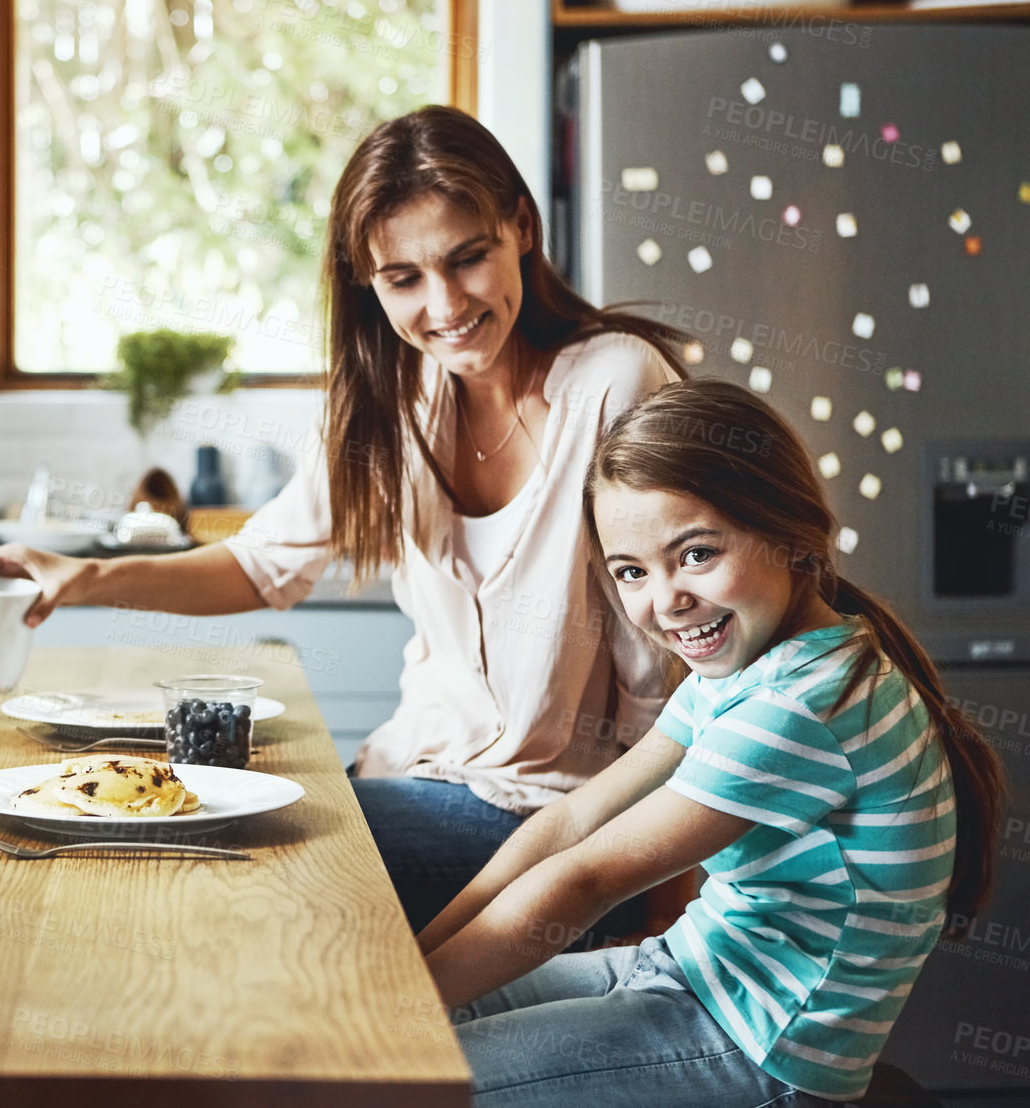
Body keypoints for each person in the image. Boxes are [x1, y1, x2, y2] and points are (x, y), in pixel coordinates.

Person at [0, 105, 693, 929]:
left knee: (224, 853)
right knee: (137, 820)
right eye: (403, 278)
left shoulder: (616, 385)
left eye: (467, 258)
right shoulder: (392, 399)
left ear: (520, 226)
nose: (444, 303)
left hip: (553, 819)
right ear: (366, 283)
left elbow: (671, 657)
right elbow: (263, 563)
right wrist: (86, 579)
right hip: (408, 771)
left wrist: (661, 887)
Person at [421, 379, 1005, 1106]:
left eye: (695, 554)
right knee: (421, 1020)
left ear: (789, 533)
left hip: (763, 1044)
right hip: (693, 970)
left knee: (411, 1079)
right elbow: (572, 820)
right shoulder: (746, 669)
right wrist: (409, 969)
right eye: (632, 571)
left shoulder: (801, 706)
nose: (665, 600)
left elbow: (587, 880)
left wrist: (390, 1009)